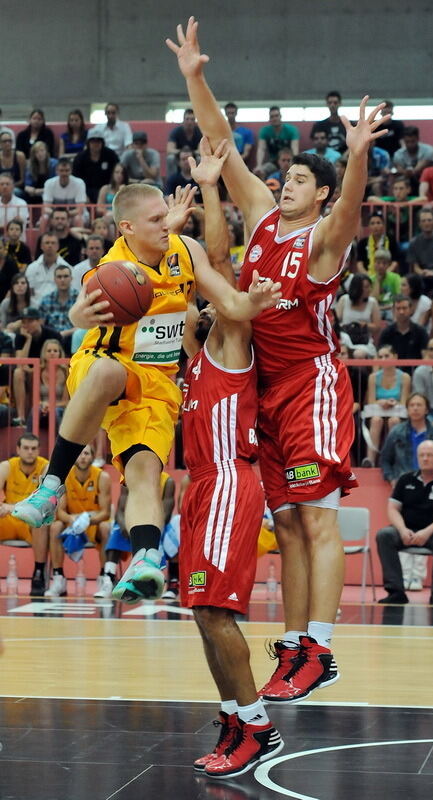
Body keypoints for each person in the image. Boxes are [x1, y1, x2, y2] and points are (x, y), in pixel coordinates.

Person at [166, 17, 389, 704]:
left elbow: (350, 208)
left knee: (315, 518)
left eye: (297, 178)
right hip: (264, 388)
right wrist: (195, 78)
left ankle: (318, 645)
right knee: (287, 520)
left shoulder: (322, 241)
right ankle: (294, 642)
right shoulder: (262, 217)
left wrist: (352, 157)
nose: (283, 183)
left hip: (311, 382)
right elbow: (222, 147)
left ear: (316, 193)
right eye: (285, 177)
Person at [12, 177, 281, 608]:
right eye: (155, 219)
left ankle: (145, 559)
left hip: (157, 385)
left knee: (143, 474)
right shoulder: (110, 271)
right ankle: (51, 487)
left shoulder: (185, 251)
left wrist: (256, 300)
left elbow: (230, 305)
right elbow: (81, 312)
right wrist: (77, 314)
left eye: (166, 217)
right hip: (107, 364)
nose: (166, 224)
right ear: (126, 228)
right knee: (104, 376)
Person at [179, 139, 283, 778]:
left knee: (216, 611)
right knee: (200, 610)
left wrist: (207, 196)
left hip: (227, 485)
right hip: (200, 488)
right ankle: (232, 715)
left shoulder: (229, 337)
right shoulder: (191, 361)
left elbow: (214, 259)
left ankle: (258, 727)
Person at [376, 439, 433, 605]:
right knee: (384, 535)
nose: (425, 458)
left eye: (430, 455)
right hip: (406, 531)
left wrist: (426, 532)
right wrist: (403, 530)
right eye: (422, 455)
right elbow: (393, 509)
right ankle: (396, 591)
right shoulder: (405, 479)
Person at [44, 444, 111, 597]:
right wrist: (72, 520)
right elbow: (59, 512)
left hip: (92, 523)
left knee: (106, 527)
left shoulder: (102, 477)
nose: (83, 457)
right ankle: (58, 578)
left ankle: (105, 578)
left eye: (86, 453)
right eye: (80, 454)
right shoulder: (66, 477)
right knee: (55, 526)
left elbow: (106, 513)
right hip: (71, 524)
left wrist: (86, 519)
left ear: (93, 457)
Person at [97, 470, 175, 599]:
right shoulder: (129, 477)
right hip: (131, 523)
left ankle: (161, 582)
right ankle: (109, 579)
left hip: (157, 525)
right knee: (116, 531)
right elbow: (120, 511)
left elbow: (165, 515)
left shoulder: (168, 481)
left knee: (170, 537)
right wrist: (129, 527)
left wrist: (150, 529)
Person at [0, 433, 49, 595]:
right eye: (26, 448)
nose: (30, 452)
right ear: (18, 450)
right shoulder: (6, 467)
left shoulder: (45, 467)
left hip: (30, 520)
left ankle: (38, 575)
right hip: (8, 520)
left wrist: (11, 507)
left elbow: (45, 503)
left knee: (42, 521)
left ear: (39, 450)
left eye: (34, 448)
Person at [361, 344, 411, 467]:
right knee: (376, 420)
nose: (383, 359)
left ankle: (393, 459)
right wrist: (381, 402)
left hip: (398, 413)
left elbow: (404, 403)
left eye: (386, 356)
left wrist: (393, 403)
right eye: (380, 356)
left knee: (394, 421)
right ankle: (370, 460)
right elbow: (371, 401)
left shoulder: (405, 377)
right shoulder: (373, 377)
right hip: (378, 412)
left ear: (395, 357)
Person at [12, 308, 62, 427]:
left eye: (30, 321)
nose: (26, 325)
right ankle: (21, 417)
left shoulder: (53, 335)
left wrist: (36, 369)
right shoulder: (20, 337)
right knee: (18, 373)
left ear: (39, 321)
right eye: (23, 322)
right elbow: (20, 363)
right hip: (29, 373)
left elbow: (59, 361)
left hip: (48, 372)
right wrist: (28, 340)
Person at [26, 339, 68, 432]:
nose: (52, 353)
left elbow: (66, 402)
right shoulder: (38, 371)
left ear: (60, 354)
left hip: (60, 410)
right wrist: (43, 404)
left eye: (55, 351)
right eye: (49, 351)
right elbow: (35, 399)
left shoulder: (66, 372)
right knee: (35, 409)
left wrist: (52, 405)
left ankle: (58, 445)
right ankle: (29, 440)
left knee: (55, 412)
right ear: (44, 354)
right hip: (42, 408)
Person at [336, 274, 381, 358]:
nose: (369, 290)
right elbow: (337, 322)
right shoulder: (344, 299)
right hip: (345, 339)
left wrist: (364, 325)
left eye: (370, 286)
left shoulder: (372, 302)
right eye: (366, 287)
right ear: (357, 288)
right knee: (339, 353)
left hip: (363, 340)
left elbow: (377, 327)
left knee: (358, 354)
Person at [378, 295, 429, 366]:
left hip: (416, 373)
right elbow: (379, 357)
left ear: (411, 310)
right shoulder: (386, 332)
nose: (401, 312)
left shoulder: (421, 332)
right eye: (398, 308)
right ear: (393, 310)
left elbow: (426, 357)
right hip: (392, 373)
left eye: (404, 308)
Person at [38, 265, 79, 354]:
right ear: (54, 279)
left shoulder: (79, 298)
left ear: (71, 278)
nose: (62, 280)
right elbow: (41, 325)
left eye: (65, 276)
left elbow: (84, 326)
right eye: (59, 277)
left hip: (72, 337)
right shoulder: (46, 299)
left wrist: (65, 333)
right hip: (51, 339)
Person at [72, 128, 119, 204]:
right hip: (86, 190)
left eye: (98, 141)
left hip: (107, 190)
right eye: (93, 141)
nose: (96, 144)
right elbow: (75, 178)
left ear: (102, 143)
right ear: (88, 143)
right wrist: (82, 194)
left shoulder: (111, 155)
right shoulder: (80, 158)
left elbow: (117, 172)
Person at [26, 231, 71, 304]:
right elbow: (29, 292)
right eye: (47, 243)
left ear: (58, 246)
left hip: (58, 307)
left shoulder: (67, 268)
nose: (50, 245)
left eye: (53, 243)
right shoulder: (31, 268)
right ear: (41, 246)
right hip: (36, 307)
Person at [255, 106, 299, 178]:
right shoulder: (264, 131)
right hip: (273, 162)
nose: (274, 118)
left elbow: (295, 148)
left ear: (280, 116)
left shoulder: (291, 130)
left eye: (276, 116)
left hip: (288, 160)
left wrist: (295, 164)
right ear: (269, 118)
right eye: (272, 116)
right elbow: (261, 149)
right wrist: (259, 165)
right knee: (260, 172)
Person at [41, 159, 87, 226]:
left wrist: (65, 215)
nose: (64, 173)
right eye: (61, 171)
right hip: (56, 215)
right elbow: (45, 208)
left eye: (67, 170)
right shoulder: (49, 183)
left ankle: (80, 236)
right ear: (56, 171)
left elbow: (80, 210)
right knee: (44, 218)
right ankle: (43, 236)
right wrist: (58, 215)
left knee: (78, 219)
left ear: (71, 171)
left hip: (74, 215)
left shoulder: (79, 183)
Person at [393, 127, 433, 193]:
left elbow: (419, 167)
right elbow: (399, 169)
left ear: (418, 139)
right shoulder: (398, 154)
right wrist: (404, 172)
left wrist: (409, 172)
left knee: (424, 176)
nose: (410, 144)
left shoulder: (429, 150)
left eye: (413, 141)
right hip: (408, 179)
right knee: (399, 180)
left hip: (428, 180)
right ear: (403, 140)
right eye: (407, 142)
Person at [356, 211, 400, 276]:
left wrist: (385, 274)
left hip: (387, 275)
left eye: (378, 223)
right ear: (369, 226)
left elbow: (395, 262)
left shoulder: (391, 241)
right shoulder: (362, 243)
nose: (375, 226)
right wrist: (368, 276)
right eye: (372, 223)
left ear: (383, 225)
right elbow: (359, 263)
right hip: (368, 276)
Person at [407, 207, 433, 295]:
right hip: (423, 275)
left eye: (429, 220)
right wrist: (423, 272)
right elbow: (415, 267)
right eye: (423, 221)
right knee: (412, 282)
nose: (427, 223)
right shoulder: (414, 242)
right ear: (419, 224)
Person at [166, 108, 202, 177]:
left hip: (193, 157)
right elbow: (169, 150)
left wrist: (191, 153)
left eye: (192, 119)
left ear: (195, 121)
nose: (189, 122)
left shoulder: (199, 132)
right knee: (170, 158)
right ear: (183, 120)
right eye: (187, 119)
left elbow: (201, 150)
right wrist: (182, 153)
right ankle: (171, 181)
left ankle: (199, 181)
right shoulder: (176, 132)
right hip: (179, 157)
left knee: (200, 158)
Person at [412, 336, 433, 423]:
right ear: (427, 352)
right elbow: (420, 398)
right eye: (431, 349)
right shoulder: (419, 372)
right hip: (428, 412)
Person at [370, 248, 402, 320]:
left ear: (389, 264)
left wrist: (383, 307)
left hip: (391, 308)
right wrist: (377, 281)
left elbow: (399, 298)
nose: (381, 266)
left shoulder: (395, 278)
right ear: (374, 263)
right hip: (376, 309)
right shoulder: (370, 279)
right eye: (378, 263)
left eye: (384, 263)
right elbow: (373, 300)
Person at [0, 237, 20, 303]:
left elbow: (16, 283)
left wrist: (6, 301)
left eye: (0, 248)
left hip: (8, 299)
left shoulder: (11, 264)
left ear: (4, 249)